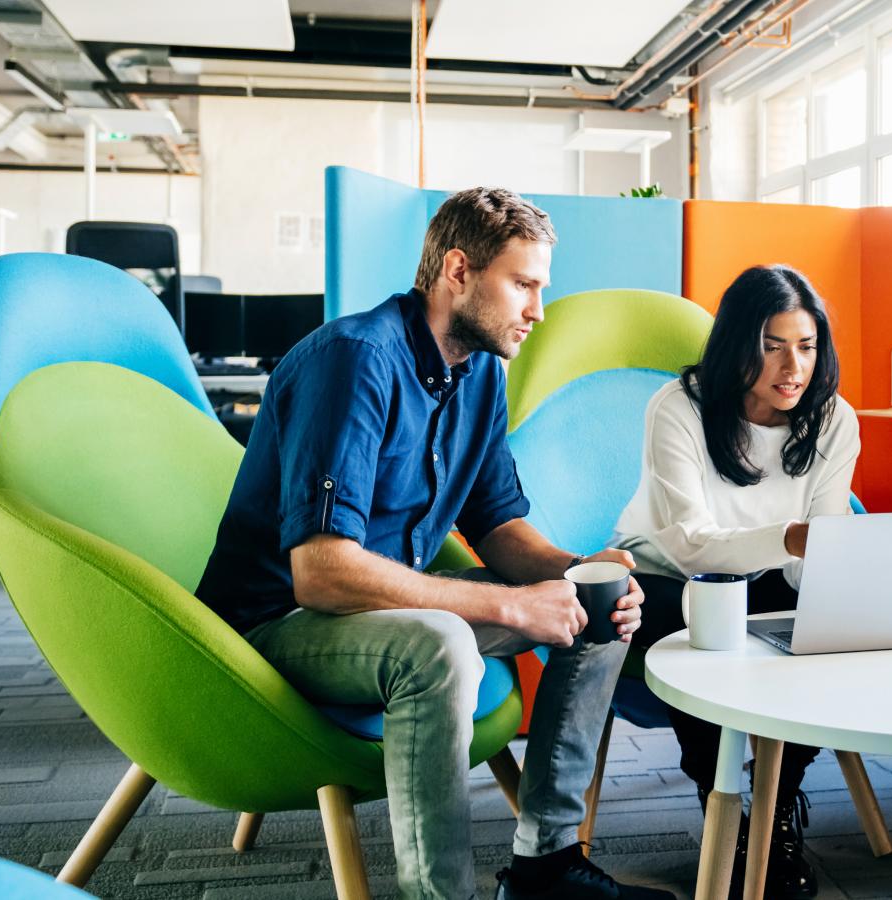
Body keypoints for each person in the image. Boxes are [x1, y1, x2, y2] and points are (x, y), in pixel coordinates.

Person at [195, 187, 672, 900]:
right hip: (276, 626)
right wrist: (509, 608)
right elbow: (322, 575)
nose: (538, 310)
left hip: (387, 612)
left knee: (594, 608)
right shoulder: (355, 360)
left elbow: (499, 527)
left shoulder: (479, 373)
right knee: (439, 642)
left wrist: (577, 573)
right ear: (457, 271)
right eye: (523, 285)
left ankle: (545, 865)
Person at [613, 264, 860, 899]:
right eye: (772, 346)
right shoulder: (679, 408)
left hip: (772, 574)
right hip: (665, 577)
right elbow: (689, 542)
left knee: (824, 628)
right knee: (697, 618)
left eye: (806, 346)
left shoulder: (834, 419)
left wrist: (834, 582)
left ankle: (778, 806)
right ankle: (722, 801)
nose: (793, 367)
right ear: (738, 345)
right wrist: (792, 539)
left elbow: (822, 546)